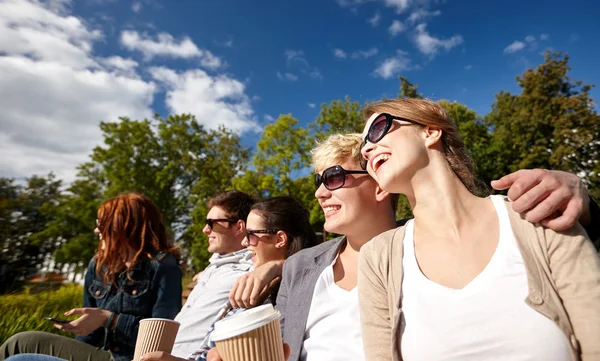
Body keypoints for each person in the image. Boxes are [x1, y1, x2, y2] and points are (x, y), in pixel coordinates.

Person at [212, 132, 599, 361]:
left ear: (380, 183)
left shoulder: (426, 249)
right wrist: (272, 266)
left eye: (332, 177)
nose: (318, 192)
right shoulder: (301, 267)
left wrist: (578, 194)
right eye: (318, 180)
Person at [358, 98, 600, 360]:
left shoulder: (536, 215)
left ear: (430, 132)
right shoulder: (377, 258)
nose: (367, 150)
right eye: (363, 150)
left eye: (378, 129)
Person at [0, 192, 183, 361]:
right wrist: (81, 328)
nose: (97, 231)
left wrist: (109, 319)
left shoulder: (162, 267)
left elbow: (162, 337)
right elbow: (89, 336)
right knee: (18, 343)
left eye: (102, 224)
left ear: (125, 227)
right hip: (100, 353)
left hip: (131, 358)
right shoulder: (99, 264)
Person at [138, 196, 319, 361]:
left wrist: (279, 266)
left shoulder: (286, 295)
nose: (244, 242)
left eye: (251, 235)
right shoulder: (252, 286)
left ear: (280, 239)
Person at [170, 191, 255, 358]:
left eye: (212, 223)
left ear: (239, 227)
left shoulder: (251, 270)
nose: (205, 230)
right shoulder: (214, 266)